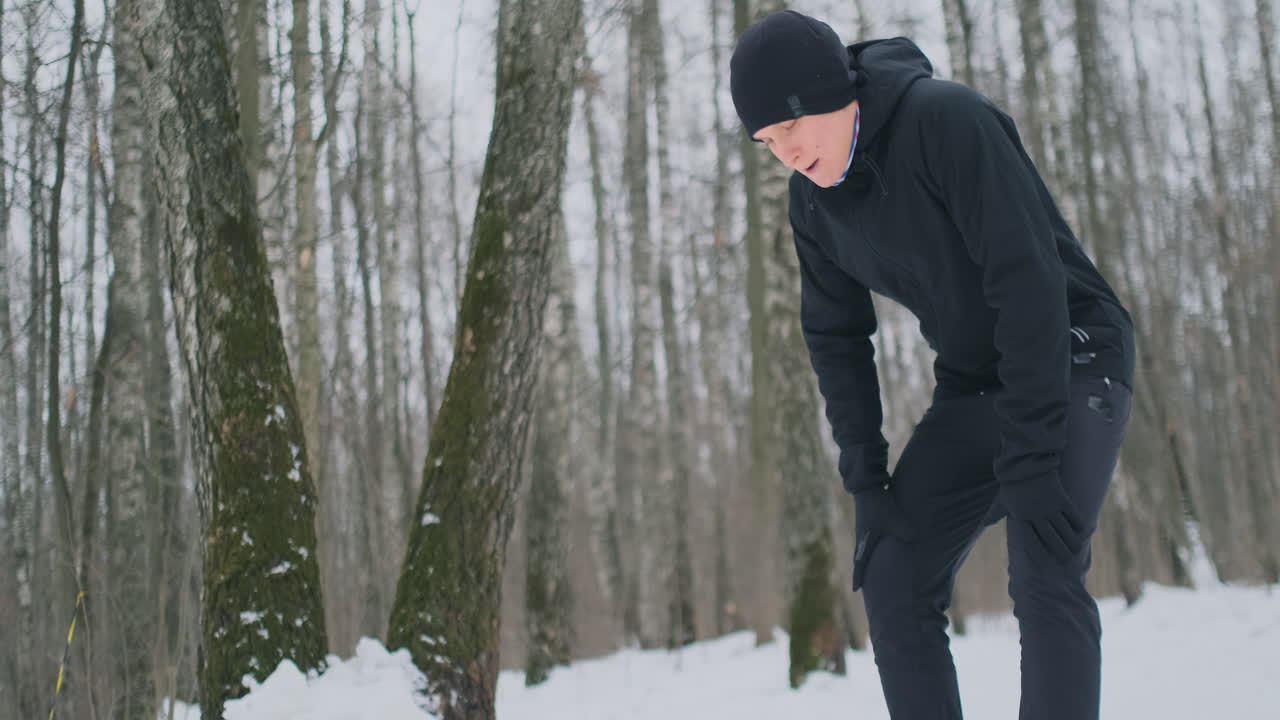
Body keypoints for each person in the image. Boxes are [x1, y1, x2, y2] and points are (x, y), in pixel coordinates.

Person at [729, 10, 1136, 720]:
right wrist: (867, 482)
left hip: (1071, 352)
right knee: (893, 571)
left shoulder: (947, 121)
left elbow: (1028, 282)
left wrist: (1034, 460)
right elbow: (836, 336)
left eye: (790, 127)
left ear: (832, 90)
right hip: (976, 381)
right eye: (767, 142)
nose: (786, 153)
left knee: (1044, 566)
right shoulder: (812, 205)